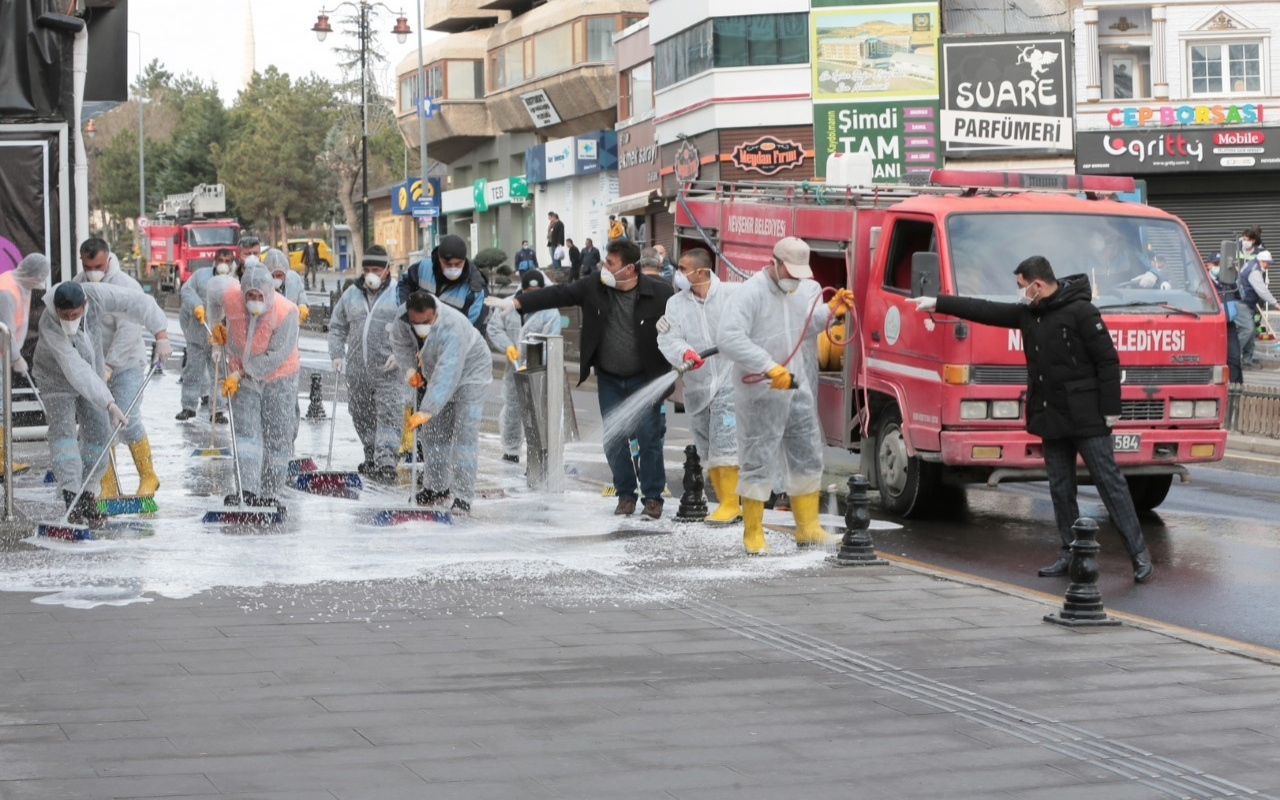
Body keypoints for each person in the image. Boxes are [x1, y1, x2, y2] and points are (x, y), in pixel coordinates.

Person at [908, 255, 1153, 583]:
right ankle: (1069, 552)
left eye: (1022, 287)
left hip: (1087, 417)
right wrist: (938, 302)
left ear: (1038, 285)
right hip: (1050, 413)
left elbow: (1108, 362)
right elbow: (985, 309)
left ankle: (1138, 554)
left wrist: (1111, 410)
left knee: (1111, 484)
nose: (1019, 294)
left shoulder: (1082, 312)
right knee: (1060, 487)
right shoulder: (1029, 313)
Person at [486, 239, 675, 519]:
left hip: (645, 379)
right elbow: (558, 295)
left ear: (630, 269)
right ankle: (625, 495)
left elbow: (685, 319)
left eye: (610, 263)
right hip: (610, 378)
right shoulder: (594, 287)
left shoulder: (660, 293)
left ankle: (652, 497)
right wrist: (516, 302)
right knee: (613, 440)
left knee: (648, 437)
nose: (604, 268)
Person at [717, 237, 853, 554]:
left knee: (807, 453)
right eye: (790, 271)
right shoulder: (749, 294)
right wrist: (767, 367)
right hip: (761, 391)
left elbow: (804, 326)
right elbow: (728, 337)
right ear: (775, 262)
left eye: (799, 273)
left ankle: (808, 528)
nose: (795, 278)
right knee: (757, 459)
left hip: (796, 384)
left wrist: (830, 311)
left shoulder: (799, 291)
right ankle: (753, 532)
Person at [34, 281, 172, 526]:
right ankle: (71, 497)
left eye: (74, 314)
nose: (68, 319)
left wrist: (160, 333)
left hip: (93, 375)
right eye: (63, 315)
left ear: (84, 305)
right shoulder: (49, 322)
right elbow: (74, 369)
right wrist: (109, 402)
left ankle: (87, 495)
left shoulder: (96, 295)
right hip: (55, 380)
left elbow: (137, 301)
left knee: (101, 434)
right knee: (64, 437)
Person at [204, 263, 301, 510]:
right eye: (250, 295)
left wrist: (240, 372)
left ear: (268, 293)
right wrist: (217, 327)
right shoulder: (230, 296)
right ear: (243, 291)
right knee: (246, 435)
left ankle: (271, 491)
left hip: (279, 376)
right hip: (241, 373)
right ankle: (247, 491)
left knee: (276, 435)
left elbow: (276, 355)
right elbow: (212, 294)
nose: (255, 301)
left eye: (260, 296)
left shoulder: (286, 311)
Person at [657, 248, 741, 524]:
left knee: (725, 442)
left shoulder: (732, 296)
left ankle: (731, 503)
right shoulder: (676, 304)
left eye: (682, 268)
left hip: (730, 379)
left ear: (701, 271)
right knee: (706, 445)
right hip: (697, 385)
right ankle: (725, 501)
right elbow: (668, 339)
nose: (678, 273)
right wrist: (685, 353)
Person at [391, 291, 493, 513]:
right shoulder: (403, 317)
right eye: (415, 322)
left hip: (471, 372)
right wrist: (409, 369)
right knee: (434, 433)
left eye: (426, 322)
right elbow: (400, 342)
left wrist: (426, 409)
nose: (420, 327)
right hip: (436, 371)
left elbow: (448, 373)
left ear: (435, 313)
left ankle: (463, 495)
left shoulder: (452, 326)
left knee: (464, 435)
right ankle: (436, 488)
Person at [74, 238, 162, 498]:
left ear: (108, 258)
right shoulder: (78, 284)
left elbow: (129, 329)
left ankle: (148, 476)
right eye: (88, 265)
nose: (94, 271)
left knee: (127, 417)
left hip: (126, 365)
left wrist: (110, 364)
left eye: (99, 265)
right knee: (100, 425)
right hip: (95, 367)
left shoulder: (126, 285)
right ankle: (107, 483)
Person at [327, 245, 402, 483]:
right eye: (367, 269)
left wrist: (401, 354)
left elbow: (412, 328)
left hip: (388, 370)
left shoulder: (399, 293)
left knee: (389, 415)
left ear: (387, 269)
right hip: (358, 370)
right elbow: (337, 326)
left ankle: (387, 460)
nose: (371, 274)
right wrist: (337, 353)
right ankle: (371, 453)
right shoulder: (351, 295)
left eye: (376, 269)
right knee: (361, 414)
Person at [486, 268, 562, 464]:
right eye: (529, 293)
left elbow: (550, 341)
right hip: (513, 366)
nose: (533, 297)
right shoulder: (508, 307)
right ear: (522, 290)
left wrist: (533, 361)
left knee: (537, 411)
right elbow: (494, 328)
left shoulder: (549, 310)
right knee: (512, 406)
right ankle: (510, 449)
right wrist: (508, 346)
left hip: (538, 369)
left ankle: (538, 454)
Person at [0, 253, 51, 472]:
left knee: (2, 409)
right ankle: (2, 462)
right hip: (3, 355)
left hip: (4, 356)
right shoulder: (7, 291)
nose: (40, 281)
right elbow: (4, 331)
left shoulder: (22, 285)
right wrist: (15, 358)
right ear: (31, 273)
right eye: (40, 276)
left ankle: (3, 459)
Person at [178, 248, 233, 423]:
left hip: (219, 336)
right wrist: (196, 306)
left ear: (232, 262)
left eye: (227, 260)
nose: (223, 263)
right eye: (220, 259)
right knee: (193, 370)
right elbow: (186, 291)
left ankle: (217, 411)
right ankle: (188, 407)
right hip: (198, 332)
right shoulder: (200, 275)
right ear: (214, 260)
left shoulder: (234, 282)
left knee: (219, 373)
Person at [396, 234, 489, 333]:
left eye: (458, 264)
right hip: (417, 333)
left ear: (464, 260)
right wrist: (407, 310)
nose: (453, 268)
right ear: (439, 258)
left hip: (451, 341)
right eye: (447, 264)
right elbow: (404, 283)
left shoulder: (475, 288)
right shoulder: (423, 267)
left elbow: (471, 330)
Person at [1237, 246, 1276, 368]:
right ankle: (1232, 356)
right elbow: (1262, 291)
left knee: (1252, 331)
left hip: (1249, 303)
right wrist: (1275, 304)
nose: (1268, 266)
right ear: (1262, 261)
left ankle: (1247, 359)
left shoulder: (1251, 265)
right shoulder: (1254, 270)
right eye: (1268, 264)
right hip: (1242, 303)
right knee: (1248, 329)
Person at [1207, 252, 1243, 384]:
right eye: (1215, 264)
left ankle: (1237, 390)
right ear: (1209, 265)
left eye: (1220, 265)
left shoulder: (1230, 280)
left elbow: (1241, 296)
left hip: (1229, 325)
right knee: (1212, 360)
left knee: (1234, 359)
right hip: (1212, 325)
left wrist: (1234, 279)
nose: (1218, 268)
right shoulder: (1205, 281)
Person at [264, 249, 310, 325]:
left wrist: (303, 305)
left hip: (291, 325)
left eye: (279, 275)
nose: (276, 278)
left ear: (285, 273)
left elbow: (300, 292)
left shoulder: (294, 279)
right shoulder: (263, 285)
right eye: (272, 276)